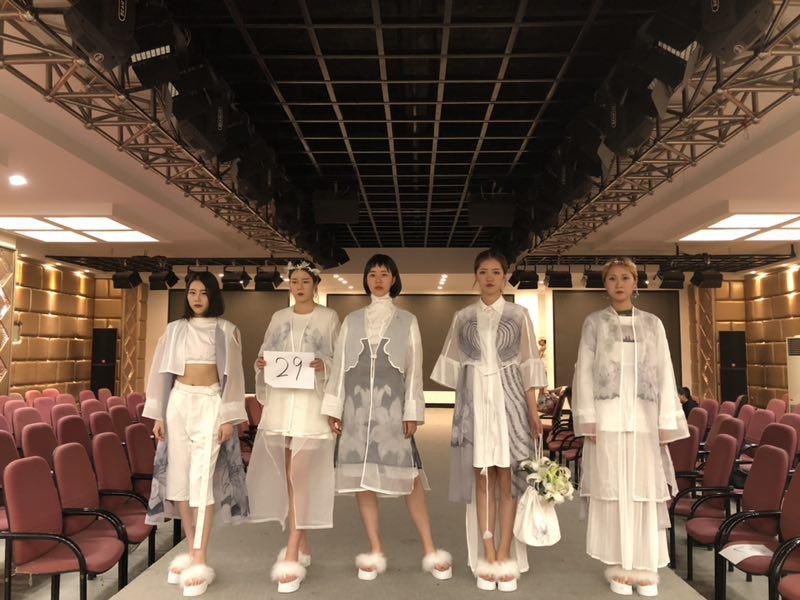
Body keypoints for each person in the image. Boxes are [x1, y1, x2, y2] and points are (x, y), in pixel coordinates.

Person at [321, 254, 452, 582]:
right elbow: (339, 368)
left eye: (384, 274)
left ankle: (430, 549)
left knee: (410, 478)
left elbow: (414, 368)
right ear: (366, 280)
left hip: (392, 411)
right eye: (372, 274)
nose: (378, 279)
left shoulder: (407, 320)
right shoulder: (351, 320)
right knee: (362, 479)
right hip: (355, 411)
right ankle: (375, 549)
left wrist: (412, 411)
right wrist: (334, 409)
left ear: (394, 279)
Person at [572, 257, 688, 597]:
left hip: (644, 420)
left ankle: (646, 565)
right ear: (604, 284)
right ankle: (620, 565)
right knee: (613, 489)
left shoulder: (653, 324)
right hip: (606, 420)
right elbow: (584, 372)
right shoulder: (594, 323)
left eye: (625, 278)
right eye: (612, 278)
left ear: (635, 283)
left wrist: (666, 420)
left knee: (642, 491)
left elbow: (665, 370)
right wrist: (588, 418)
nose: (619, 284)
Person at [432, 248, 547, 591]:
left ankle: (505, 553)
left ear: (505, 276)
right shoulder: (463, 316)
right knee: (482, 477)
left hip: (510, 402)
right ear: (476, 276)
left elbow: (529, 365)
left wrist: (533, 411)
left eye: (496, 271)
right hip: (476, 405)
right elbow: (453, 368)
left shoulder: (519, 314)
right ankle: (487, 553)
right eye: (483, 272)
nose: (490, 278)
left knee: (509, 479)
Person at [143, 271, 249, 597]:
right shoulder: (174, 329)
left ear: (213, 295)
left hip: (211, 403)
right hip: (178, 403)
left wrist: (229, 417)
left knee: (203, 481)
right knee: (180, 481)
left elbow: (235, 377)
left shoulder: (227, 330)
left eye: (203, 292)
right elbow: (160, 372)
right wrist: (158, 414)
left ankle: (201, 558)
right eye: (192, 292)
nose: (197, 298)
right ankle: (191, 550)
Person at [247, 261, 340, 593]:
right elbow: (265, 352)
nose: (299, 287)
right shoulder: (279, 317)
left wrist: (324, 365)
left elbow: (338, 360)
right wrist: (261, 363)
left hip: (311, 407)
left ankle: (291, 550)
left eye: (305, 281)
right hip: (283, 405)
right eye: (294, 281)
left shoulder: (329, 317)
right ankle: (303, 544)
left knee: (299, 474)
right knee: (290, 476)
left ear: (315, 285)